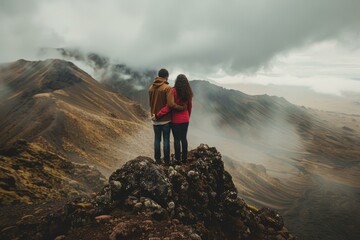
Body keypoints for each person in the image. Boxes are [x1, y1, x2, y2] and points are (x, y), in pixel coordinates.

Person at [148, 69, 186, 165]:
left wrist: (155, 115)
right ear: (166, 77)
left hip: (154, 119)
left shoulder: (151, 88)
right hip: (165, 120)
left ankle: (157, 160)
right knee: (166, 140)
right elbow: (170, 105)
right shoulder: (167, 88)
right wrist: (181, 108)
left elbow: (150, 104)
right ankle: (167, 161)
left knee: (157, 139)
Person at [155, 74, 193, 164]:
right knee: (184, 138)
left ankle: (177, 159)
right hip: (185, 119)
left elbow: (169, 106)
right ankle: (184, 159)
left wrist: (158, 115)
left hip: (176, 120)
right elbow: (190, 107)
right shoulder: (189, 92)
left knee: (177, 139)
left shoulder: (173, 91)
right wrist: (188, 116)